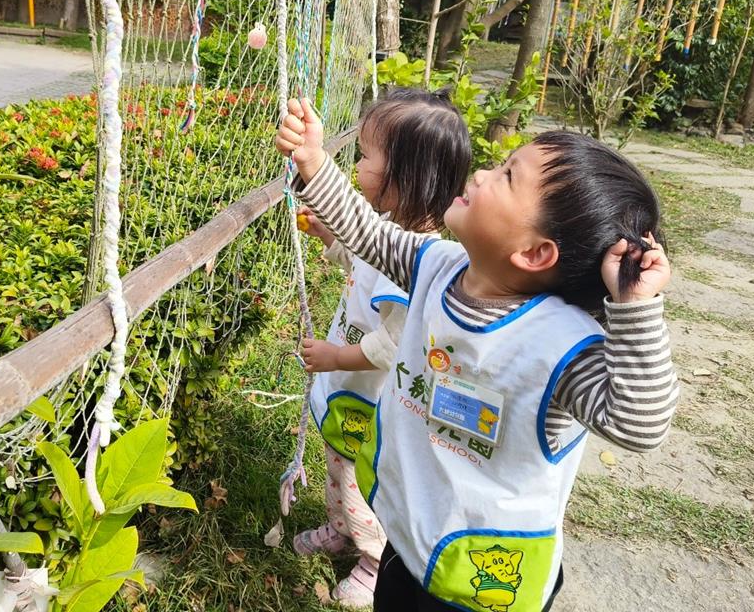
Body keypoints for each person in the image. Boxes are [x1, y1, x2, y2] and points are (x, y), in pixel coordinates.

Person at [276, 98, 678, 612]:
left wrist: (636, 307)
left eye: (508, 176)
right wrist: (313, 161)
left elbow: (639, 425)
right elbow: (366, 232)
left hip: (486, 578)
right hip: (412, 535)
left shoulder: (560, 345)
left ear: (534, 253)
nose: (484, 173)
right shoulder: (434, 265)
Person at [293, 89, 471, 608]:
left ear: (405, 177)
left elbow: (393, 345)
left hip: (372, 400)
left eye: (366, 156)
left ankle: (373, 559)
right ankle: (340, 529)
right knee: (338, 465)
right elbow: (360, 262)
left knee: (362, 477)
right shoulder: (391, 234)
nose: (357, 166)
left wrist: (335, 357)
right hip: (353, 391)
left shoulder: (422, 263)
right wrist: (330, 236)